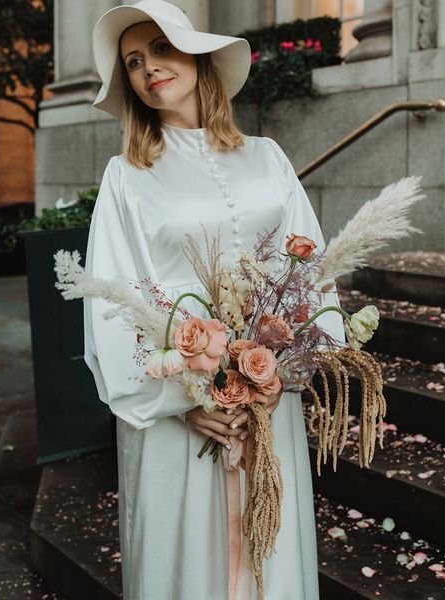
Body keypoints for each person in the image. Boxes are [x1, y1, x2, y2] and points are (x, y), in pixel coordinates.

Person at [84, 1, 345, 598]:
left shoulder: (268, 157)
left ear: (199, 57)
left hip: (268, 398)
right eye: (133, 61)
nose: (148, 67)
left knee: (269, 552)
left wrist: (291, 363)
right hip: (178, 407)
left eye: (161, 48)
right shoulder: (127, 175)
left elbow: (310, 269)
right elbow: (115, 299)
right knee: (188, 562)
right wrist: (186, 398)